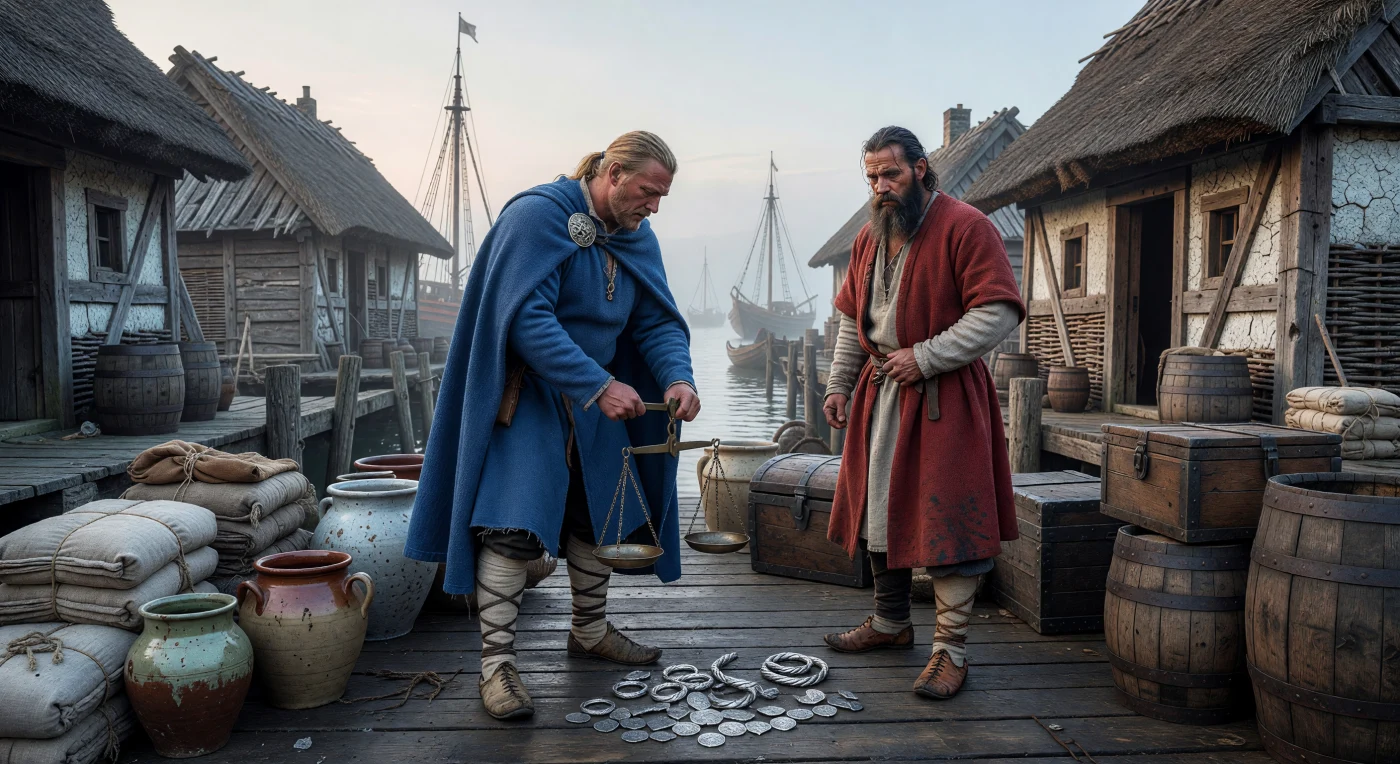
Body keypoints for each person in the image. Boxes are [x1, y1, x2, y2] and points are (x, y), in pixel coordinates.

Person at [405, 131, 700, 720]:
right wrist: (596, 384)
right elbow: (527, 322)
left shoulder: (637, 237)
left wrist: (677, 377)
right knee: (512, 525)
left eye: (663, 196)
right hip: (530, 396)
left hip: (600, 400)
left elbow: (655, 322)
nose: (654, 207)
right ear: (613, 172)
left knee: (598, 518)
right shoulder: (537, 217)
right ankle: (497, 664)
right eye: (647, 192)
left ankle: (588, 632)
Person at [821, 126, 1024, 700]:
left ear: (921, 168)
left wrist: (928, 357)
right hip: (881, 391)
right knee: (880, 508)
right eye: (872, 177)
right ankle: (889, 623)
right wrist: (838, 384)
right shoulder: (868, 238)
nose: (881, 187)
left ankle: (950, 650)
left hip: (945, 399)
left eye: (891, 173)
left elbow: (1000, 311)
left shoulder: (967, 226)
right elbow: (851, 321)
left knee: (946, 517)